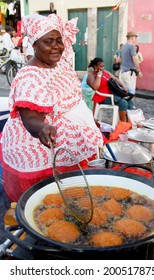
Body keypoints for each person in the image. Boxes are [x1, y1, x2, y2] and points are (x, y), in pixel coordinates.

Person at [0, 13, 103, 202]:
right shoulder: (29, 78)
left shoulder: (58, 65)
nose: (56, 46)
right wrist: (42, 128)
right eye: (48, 41)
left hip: (71, 145)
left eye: (59, 40)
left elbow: (71, 100)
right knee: (45, 201)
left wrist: (87, 120)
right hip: (41, 150)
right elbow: (30, 118)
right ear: (35, 44)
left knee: (69, 197)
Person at [86, 57, 133, 122]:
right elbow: (95, 87)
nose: (103, 68)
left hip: (113, 94)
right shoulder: (91, 76)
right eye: (101, 66)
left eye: (103, 66)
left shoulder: (106, 72)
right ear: (95, 66)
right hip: (103, 97)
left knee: (129, 101)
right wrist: (99, 76)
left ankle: (129, 122)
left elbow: (115, 79)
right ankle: (122, 123)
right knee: (123, 103)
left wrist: (123, 86)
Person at [119, 31, 142, 99]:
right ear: (132, 38)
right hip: (129, 73)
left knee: (124, 92)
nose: (136, 40)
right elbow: (135, 59)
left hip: (122, 72)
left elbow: (120, 59)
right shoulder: (132, 46)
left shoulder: (123, 47)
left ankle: (124, 108)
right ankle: (129, 108)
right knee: (131, 93)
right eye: (135, 38)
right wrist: (139, 71)